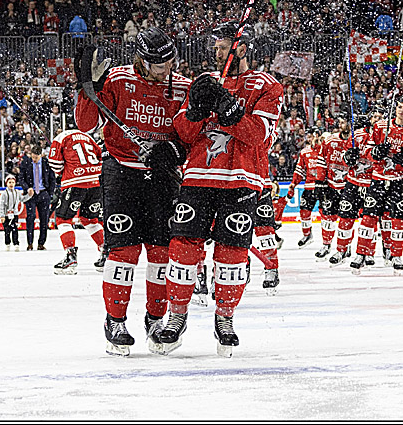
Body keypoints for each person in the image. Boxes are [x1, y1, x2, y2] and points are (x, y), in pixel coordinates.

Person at [160, 21, 284, 357]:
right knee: (183, 249)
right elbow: (184, 132)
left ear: (241, 48)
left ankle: (225, 317)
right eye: (214, 46)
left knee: (231, 254)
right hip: (199, 175)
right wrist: (199, 111)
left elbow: (259, 135)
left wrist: (230, 111)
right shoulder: (204, 82)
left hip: (242, 180)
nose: (215, 51)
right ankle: (177, 315)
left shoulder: (267, 86)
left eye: (223, 45)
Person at [73, 27, 190, 356]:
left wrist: (175, 153)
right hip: (121, 173)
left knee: (161, 254)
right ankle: (115, 320)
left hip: (163, 176)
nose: (165, 69)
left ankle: (155, 319)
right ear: (140, 58)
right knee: (124, 252)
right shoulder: (117, 80)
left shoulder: (181, 87)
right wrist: (88, 89)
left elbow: (190, 136)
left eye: (170, 62)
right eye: (157, 64)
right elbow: (85, 124)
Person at [351, 96, 403, 274]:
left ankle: (396, 255)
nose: (401, 110)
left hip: (402, 181)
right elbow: (367, 150)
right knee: (368, 216)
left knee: (399, 219)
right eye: (399, 106)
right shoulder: (380, 126)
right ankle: (360, 253)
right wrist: (375, 152)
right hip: (379, 178)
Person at [48, 128, 105, 274]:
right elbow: (100, 156)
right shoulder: (88, 137)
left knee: (62, 219)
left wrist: (63, 171)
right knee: (90, 219)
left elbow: (54, 163)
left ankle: (70, 256)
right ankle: (106, 253)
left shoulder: (60, 138)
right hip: (95, 181)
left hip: (75, 182)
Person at [330, 109, 379, 266]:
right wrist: (347, 158)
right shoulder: (357, 134)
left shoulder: (384, 136)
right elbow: (343, 155)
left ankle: (367, 252)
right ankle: (341, 250)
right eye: (375, 116)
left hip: (373, 183)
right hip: (353, 182)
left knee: (370, 220)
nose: (377, 120)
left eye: (380, 117)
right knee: (345, 217)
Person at [313, 120, 354, 257]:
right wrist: (319, 182)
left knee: (347, 218)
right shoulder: (330, 140)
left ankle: (346, 245)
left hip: (348, 185)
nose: (342, 125)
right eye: (341, 123)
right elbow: (321, 160)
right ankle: (326, 244)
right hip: (331, 184)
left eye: (345, 122)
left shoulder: (356, 142)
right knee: (327, 217)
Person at [18, 143, 55, 251]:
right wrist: (27, 188)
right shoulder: (26, 162)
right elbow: (21, 178)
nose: (34, 159)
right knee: (30, 217)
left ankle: (41, 243)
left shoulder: (46, 163)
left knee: (44, 219)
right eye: (32, 157)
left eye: (36, 157)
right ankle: (30, 243)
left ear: (41, 155)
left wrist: (50, 193)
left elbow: (52, 179)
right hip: (31, 194)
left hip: (43, 193)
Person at [288, 131, 322, 248]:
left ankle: (329, 242)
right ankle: (307, 235)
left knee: (328, 214)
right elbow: (300, 171)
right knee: (304, 211)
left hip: (324, 186)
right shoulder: (304, 152)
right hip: (309, 187)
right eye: (309, 136)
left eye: (312, 135)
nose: (310, 138)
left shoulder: (325, 149)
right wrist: (293, 184)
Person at [0, 174, 22, 251]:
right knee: (7, 230)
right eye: (9, 182)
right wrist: (2, 215)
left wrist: (29, 195)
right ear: (6, 183)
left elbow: (22, 199)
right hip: (6, 215)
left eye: (12, 182)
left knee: (15, 229)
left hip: (14, 214)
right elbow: (1, 205)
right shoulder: (4, 194)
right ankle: (7, 243)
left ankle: (16, 243)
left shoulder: (17, 192)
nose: (11, 184)